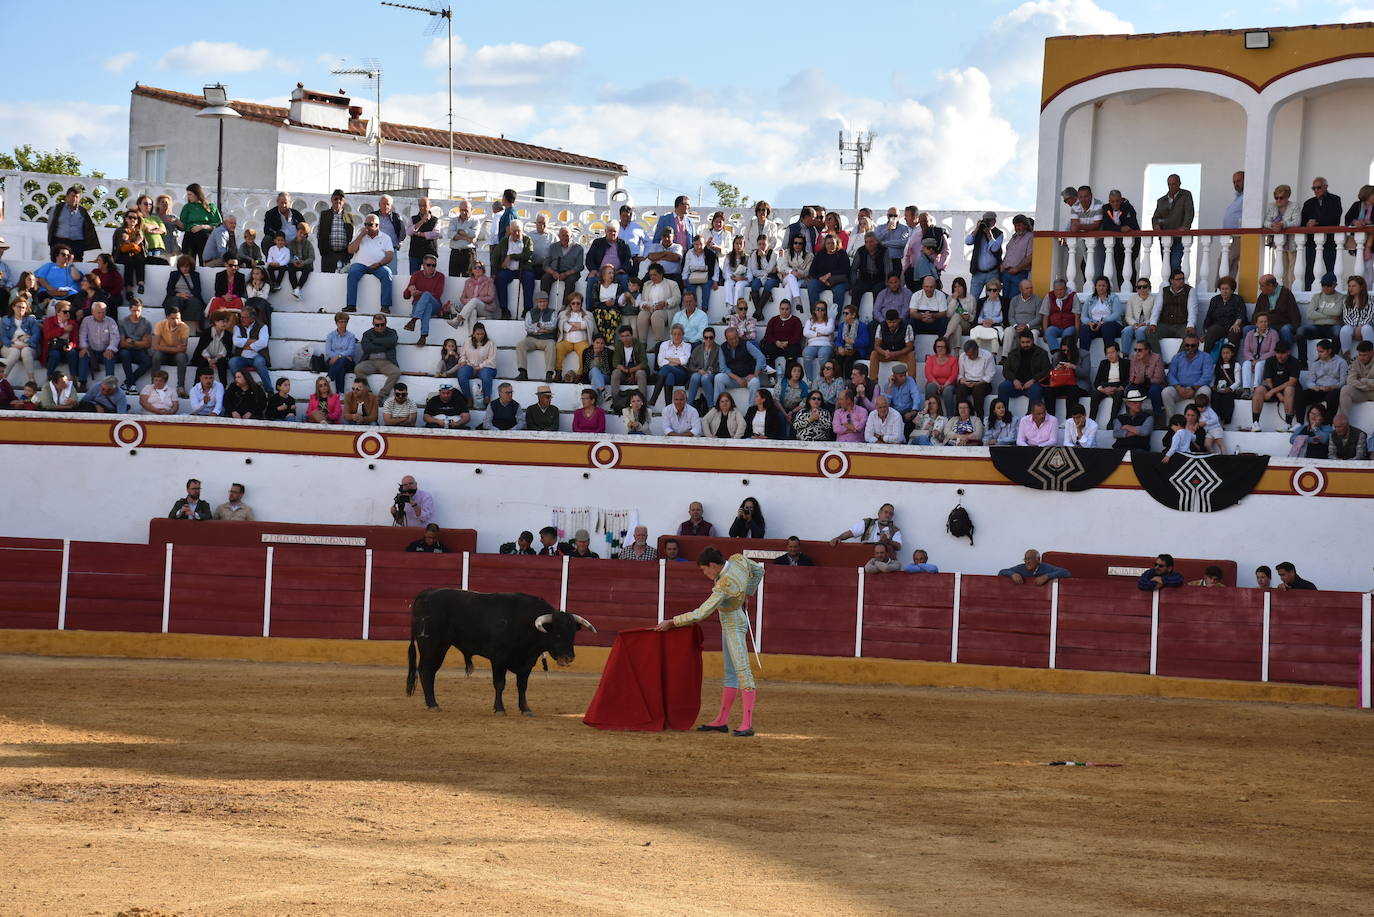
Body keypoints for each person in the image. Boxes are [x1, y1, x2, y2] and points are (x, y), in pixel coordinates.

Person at [653, 546, 764, 738]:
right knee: (731, 673)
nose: (704, 573)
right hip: (733, 620)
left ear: (713, 565)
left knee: (742, 672)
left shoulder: (725, 585)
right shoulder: (738, 559)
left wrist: (672, 622)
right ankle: (721, 720)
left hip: (734, 626)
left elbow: (701, 613)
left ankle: (747, 723)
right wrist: (748, 593)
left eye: (704, 569)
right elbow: (759, 570)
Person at [344, 215, 396, 314]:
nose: (367, 226)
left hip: (378, 265)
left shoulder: (385, 238)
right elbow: (350, 250)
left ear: (377, 225)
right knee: (353, 272)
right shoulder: (360, 235)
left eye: (370, 224)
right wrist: (360, 236)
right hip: (360, 265)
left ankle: (385, 306)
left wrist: (380, 264)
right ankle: (351, 305)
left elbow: (390, 256)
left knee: (387, 273)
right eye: (365, 224)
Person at [1244, 341, 1299, 432]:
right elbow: (1268, 380)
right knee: (1259, 389)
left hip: (1288, 390)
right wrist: (1277, 393)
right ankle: (1255, 423)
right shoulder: (1270, 361)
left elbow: (1292, 382)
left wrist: (1273, 392)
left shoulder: (1294, 362)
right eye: (1277, 353)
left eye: (1282, 353)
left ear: (1288, 352)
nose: (1279, 356)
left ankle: (1288, 424)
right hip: (1273, 389)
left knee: (1289, 389)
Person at [1300, 177, 1342, 290]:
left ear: (1326, 187)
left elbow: (1335, 219)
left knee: (1331, 268)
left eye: (1318, 187)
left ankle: (1333, 290)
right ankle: (1308, 290)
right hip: (1312, 241)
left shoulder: (1335, 200)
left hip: (1329, 240)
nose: (1316, 190)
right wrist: (1308, 223)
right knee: (1310, 268)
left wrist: (1316, 222)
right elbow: (1302, 221)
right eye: (1313, 188)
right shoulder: (1308, 203)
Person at [1151, 174, 1195, 275]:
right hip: (1165, 238)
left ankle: (1177, 287)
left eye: (1174, 184)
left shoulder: (1186, 195)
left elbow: (1189, 212)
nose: (1171, 187)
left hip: (1179, 238)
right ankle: (1170, 288)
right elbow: (1155, 218)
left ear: (1179, 183)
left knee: (1175, 264)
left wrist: (1185, 226)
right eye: (1169, 184)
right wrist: (1156, 226)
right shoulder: (1161, 201)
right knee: (1166, 265)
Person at [401, 253, 448, 347]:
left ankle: (414, 320)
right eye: (429, 265)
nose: (431, 267)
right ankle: (423, 336)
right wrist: (410, 290)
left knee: (427, 295)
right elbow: (405, 296)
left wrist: (421, 293)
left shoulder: (440, 276)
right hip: (419, 305)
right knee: (427, 307)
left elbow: (437, 295)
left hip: (435, 304)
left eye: (434, 265)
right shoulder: (416, 275)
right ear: (423, 265)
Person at [1162, 335, 1214, 419]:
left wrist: (1193, 388)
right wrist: (1179, 388)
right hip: (1180, 390)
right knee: (1166, 392)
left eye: (1193, 345)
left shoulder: (1206, 357)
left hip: (1197, 389)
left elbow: (1207, 376)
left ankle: (1204, 421)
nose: (1189, 348)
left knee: (1206, 391)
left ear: (1198, 345)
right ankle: (1173, 422)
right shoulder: (1177, 357)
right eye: (1187, 345)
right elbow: (1171, 375)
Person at [356, 314, 402, 400]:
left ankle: (381, 396)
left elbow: (392, 342)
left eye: (382, 324)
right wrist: (385, 345)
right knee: (358, 369)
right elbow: (366, 348)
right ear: (373, 324)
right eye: (377, 325)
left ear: (386, 323)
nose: (380, 327)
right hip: (370, 361)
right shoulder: (367, 333)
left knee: (396, 372)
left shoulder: (392, 332)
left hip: (387, 362)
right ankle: (368, 394)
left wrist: (374, 341)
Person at [47, 186, 100, 261]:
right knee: (57, 263)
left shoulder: (82, 211)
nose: (74, 199)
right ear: (67, 196)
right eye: (72, 196)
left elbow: (88, 228)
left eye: (77, 197)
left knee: (76, 263)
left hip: (77, 243)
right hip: (60, 241)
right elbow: (50, 225)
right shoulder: (57, 209)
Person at [229, 303, 271, 392]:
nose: (242, 319)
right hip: (242, 357)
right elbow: (236, 342)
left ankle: (269, 390)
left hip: (257, 356)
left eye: (245, 317)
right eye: (241, 317)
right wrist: (253, 341)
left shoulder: (263, 326)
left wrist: (246, 345)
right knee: (233, 362)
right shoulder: (237, 327)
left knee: (259, 362)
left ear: (253, 318)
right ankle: (240, 386)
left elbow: (263, 343)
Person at [1303, 339, 1348, 420]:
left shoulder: (1341, 362)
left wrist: (1333, 387)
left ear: (1329, 351)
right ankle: (1300, 422)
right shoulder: (1316, 364)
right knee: (1301, 395)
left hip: (1333, 390)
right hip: (1319, 389)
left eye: (1321, 351)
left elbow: (1343, 382)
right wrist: (1314, 387)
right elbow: (1309, 381)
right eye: (1318, 352)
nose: (1319, 354)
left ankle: (1328, 423)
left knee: (1332, 396)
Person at [1, 298, 40, 387]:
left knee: (25, 351)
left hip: (29, 346)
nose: (21, 309)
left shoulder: (31, 320)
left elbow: (36, 335)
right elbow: (3, 336)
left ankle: (31, 380)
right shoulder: (5, 320)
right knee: (15, 352)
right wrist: (12, 345)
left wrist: (28, 344)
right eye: (19, 307)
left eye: (23, 307)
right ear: (13, 307)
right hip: (9, 346)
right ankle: (2, 379)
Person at [830, 503, 901, 548]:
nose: (888, 515)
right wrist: (839, 538)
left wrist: (888, 541)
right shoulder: (868, 523)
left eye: (890, 514)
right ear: (879, 513)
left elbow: (898, 546)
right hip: (864, 556)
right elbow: (851, 533)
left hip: (883, 562)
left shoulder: (894, 530)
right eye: (886, 512)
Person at [998, 549, 1071, 584]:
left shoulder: (1045, 567)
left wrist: (1046, 576)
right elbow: (1001, 572)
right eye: (1025, 559)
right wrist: (1013, 574)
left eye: (1030, 559)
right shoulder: (1021, 568)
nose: (1027, 562)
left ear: (1038, 560)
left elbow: (1066, 573)